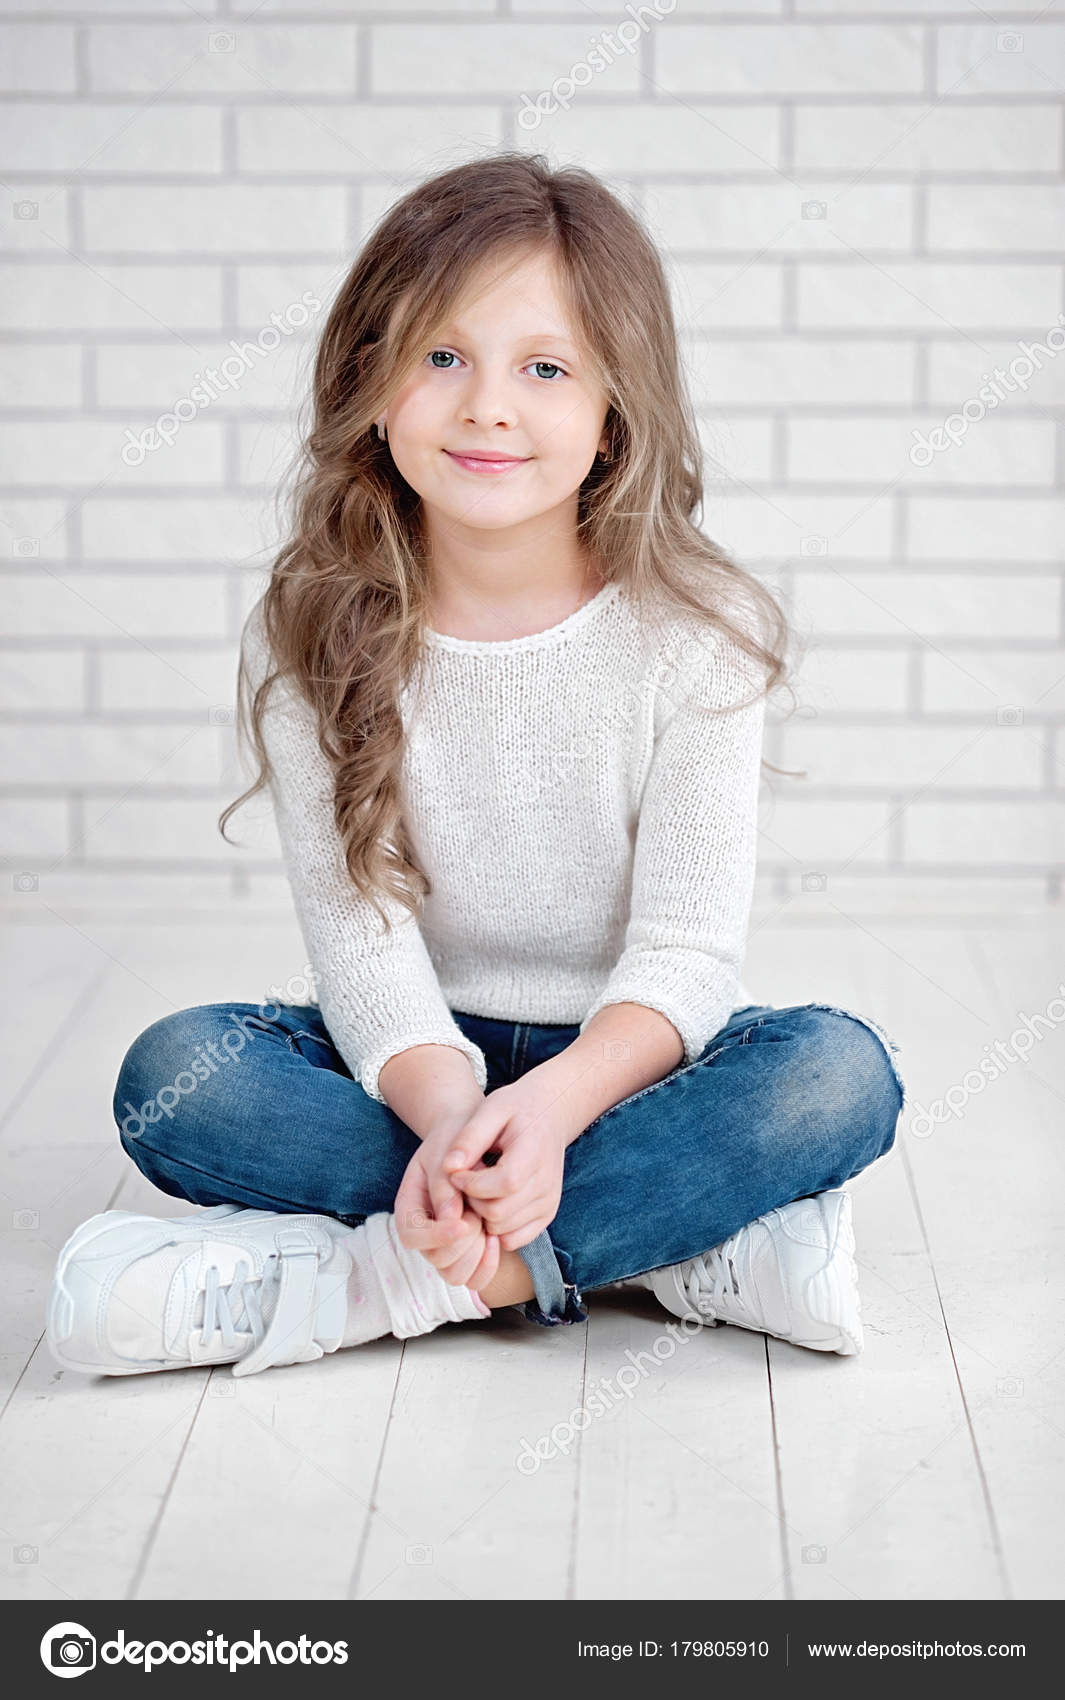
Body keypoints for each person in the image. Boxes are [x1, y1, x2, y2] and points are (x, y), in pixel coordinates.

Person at [45, 154, 906, 1381]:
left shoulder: (695, 635)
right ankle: (664, 1249)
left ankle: (392, 1278)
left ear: (616, 410)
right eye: (442, 356)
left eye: (544, 368)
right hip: (408, 1068)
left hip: (622, 1070)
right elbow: (364, 948)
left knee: (834, 1077)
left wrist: (550, 1113)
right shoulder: (315, 630)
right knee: (173, 1080)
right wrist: (457, 1120)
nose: (487, 405)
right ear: (372, 387)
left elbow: (686, 952)